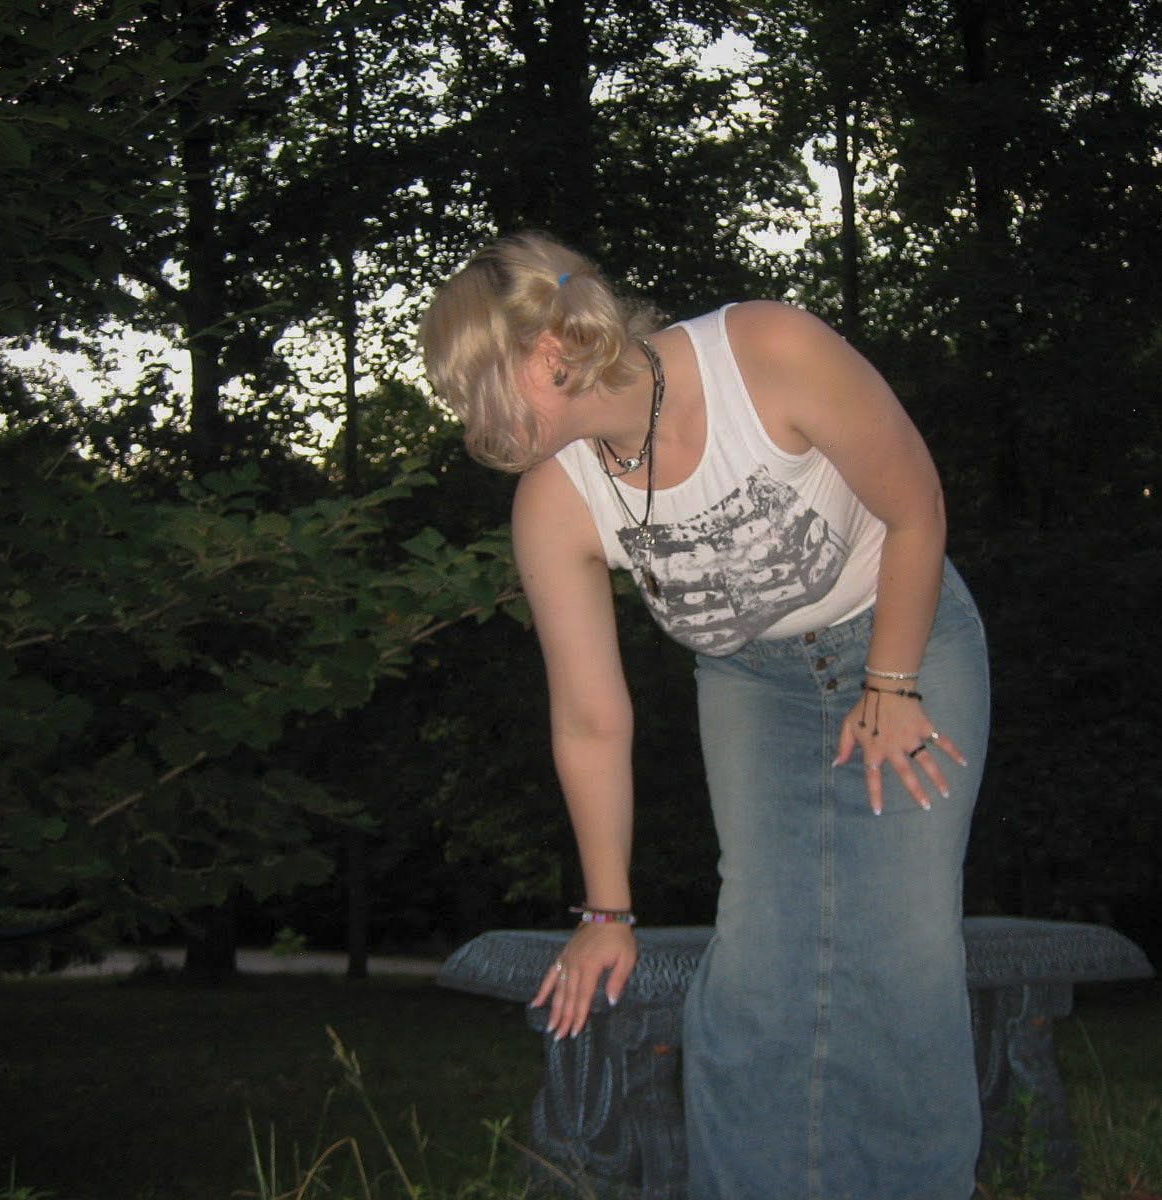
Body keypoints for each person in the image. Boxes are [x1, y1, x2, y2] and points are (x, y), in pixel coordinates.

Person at [420, 231, 989, 1200]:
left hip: (903, 633)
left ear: (552, 350)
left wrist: (890, 684)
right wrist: (607, 910)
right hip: (749, 684)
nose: (462, 415)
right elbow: (591, 720)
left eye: (474, 385)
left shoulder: (766, 354)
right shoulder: (553, 502)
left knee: (899, 959)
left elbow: (916, 509)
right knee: (756, 976)